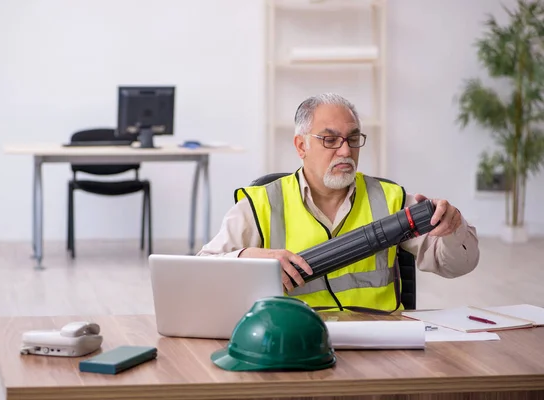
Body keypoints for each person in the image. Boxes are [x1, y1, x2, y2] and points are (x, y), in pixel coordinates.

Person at [197, 93, 479, 312]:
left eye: (353, 139)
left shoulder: (391, 198)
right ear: (301, 146)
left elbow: (457, 266)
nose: (345, 151)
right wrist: (247, 257)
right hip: (296, 345)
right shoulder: (260, 203)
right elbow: (200, 273)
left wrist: (454, 228)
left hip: (383, 345)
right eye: (330, 140)